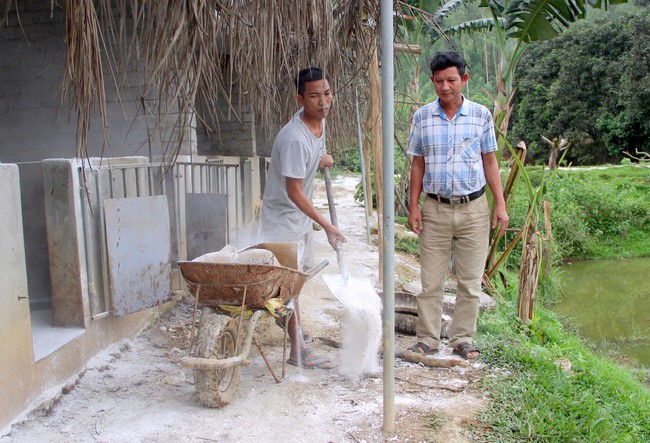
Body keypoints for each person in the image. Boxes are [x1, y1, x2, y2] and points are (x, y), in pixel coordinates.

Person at [406, 51, 509, 360]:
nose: (445, 87)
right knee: (430, 281)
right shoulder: (423, 117)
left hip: (474, 209)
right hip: (435, 209)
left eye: (451, 80)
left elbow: (490, 163)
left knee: (469, 281)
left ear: (464, 79)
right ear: (432, 82)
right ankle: (427, 339)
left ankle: (462, 339)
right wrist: (414, 206)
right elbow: (417, 165)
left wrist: (500, 206)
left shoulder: (481, 116)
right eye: (439, 81)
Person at [260, 67, 347, 369]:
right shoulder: (295, 138)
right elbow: (294, 191)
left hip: (297, 220)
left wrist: (320, 159)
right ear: (300, 98)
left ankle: (291, 324)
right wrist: (327, 225)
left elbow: (311, 155)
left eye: (327, 93)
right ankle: (299, 349)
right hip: (282, 222)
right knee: (286, 287)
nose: (323, 101)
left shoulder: (317, 125)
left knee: (292, 286)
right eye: (314, 96)